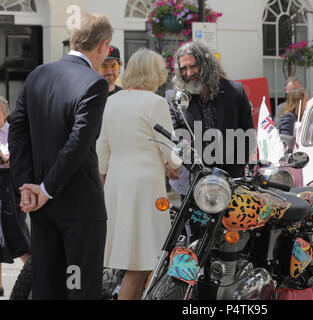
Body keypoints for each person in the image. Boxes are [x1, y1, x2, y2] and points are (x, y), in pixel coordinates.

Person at [8, 12, 113, 299]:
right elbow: (78, 142)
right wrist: (44, 189)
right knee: (79, 288)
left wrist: (27, 185)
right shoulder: (94, 83)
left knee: (47, 288)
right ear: (103, 45)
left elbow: (17, 134)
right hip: (79, 207)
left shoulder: (37, 75)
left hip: (42, 209)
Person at [97, 48, 182, 300]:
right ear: (154, 73)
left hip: (115, 185)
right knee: (143, 260)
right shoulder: (155, 103)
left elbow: (102, 149)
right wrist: (174, 164)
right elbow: (172, 152)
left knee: (131, 258)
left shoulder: (111, 101)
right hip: (145, 188)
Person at [165, 41, 255, 196]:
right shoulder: (173, 98)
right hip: (190, 182)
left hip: (229, 180)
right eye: (184, 69)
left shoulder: (235, 92)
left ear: (206, 64)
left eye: (193, 66)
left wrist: (230, 176)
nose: (189, 73)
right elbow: (173, 139)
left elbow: (247, 137)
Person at [0, 96, 30, 297]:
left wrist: (5, 158)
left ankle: (36, 272)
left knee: (17, 235)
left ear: (5, 112)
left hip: (9, 185)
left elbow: (19, 157)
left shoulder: (12, 132)